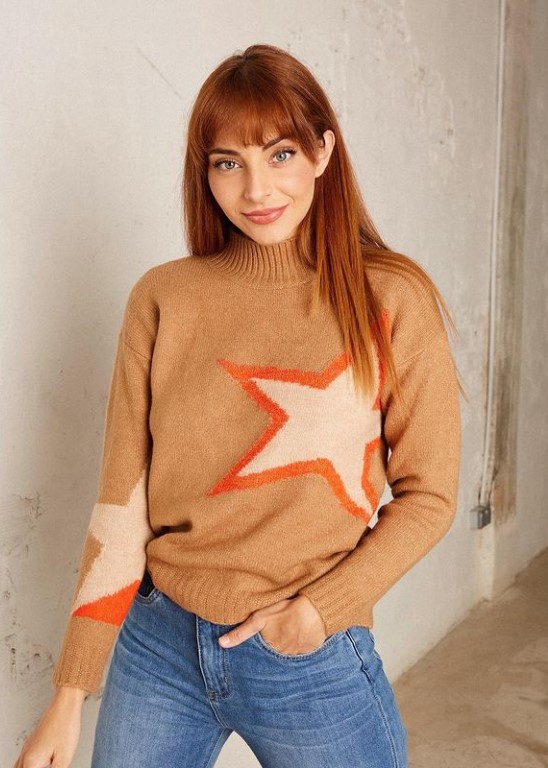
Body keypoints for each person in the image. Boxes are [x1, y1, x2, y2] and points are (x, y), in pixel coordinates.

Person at [14, 43, 462, 768]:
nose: (256, 188)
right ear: (206, 173)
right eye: (228, 162)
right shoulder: (164, 298)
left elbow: (430, 496)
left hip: (307, 658)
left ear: (323, 151)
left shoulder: (390, 298)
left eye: (280, 154)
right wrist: (69, 694)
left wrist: (320, 612)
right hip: (160, 646)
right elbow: (123, 505)